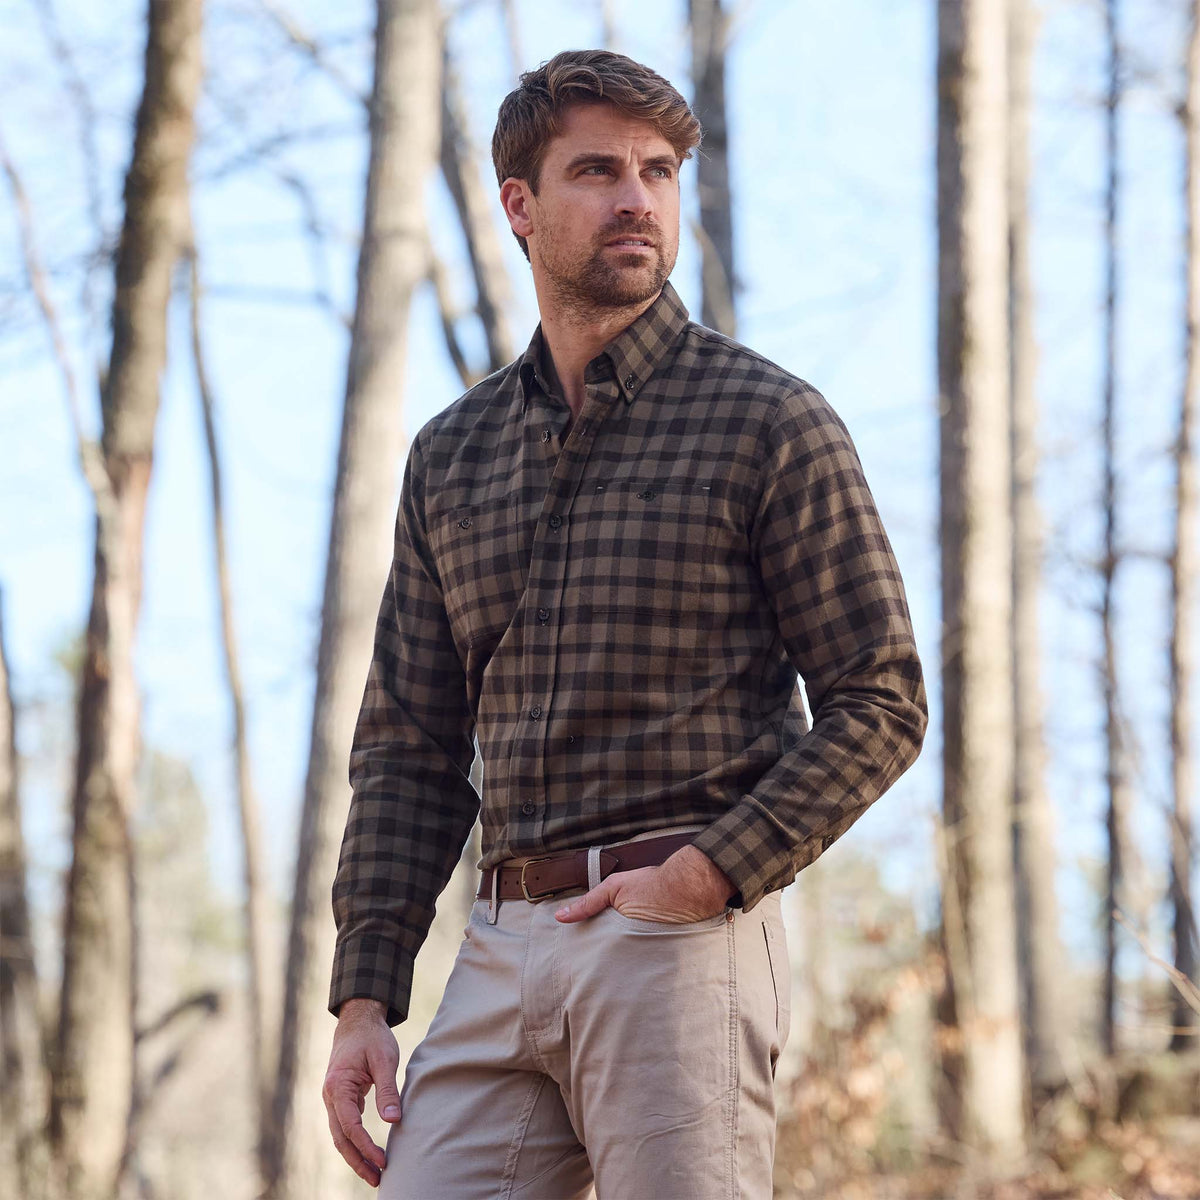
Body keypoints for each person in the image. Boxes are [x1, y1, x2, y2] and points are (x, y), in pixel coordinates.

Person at [322, 48, 927, 1200]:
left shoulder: (768, 422)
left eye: (658, 171)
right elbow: (408, 747)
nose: (638, 198)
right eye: (597, 171)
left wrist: (708, 876)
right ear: (521, 205)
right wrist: (366, 996)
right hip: (498, 946)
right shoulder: (451, 457)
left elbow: (883, 700)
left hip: (676, 935)